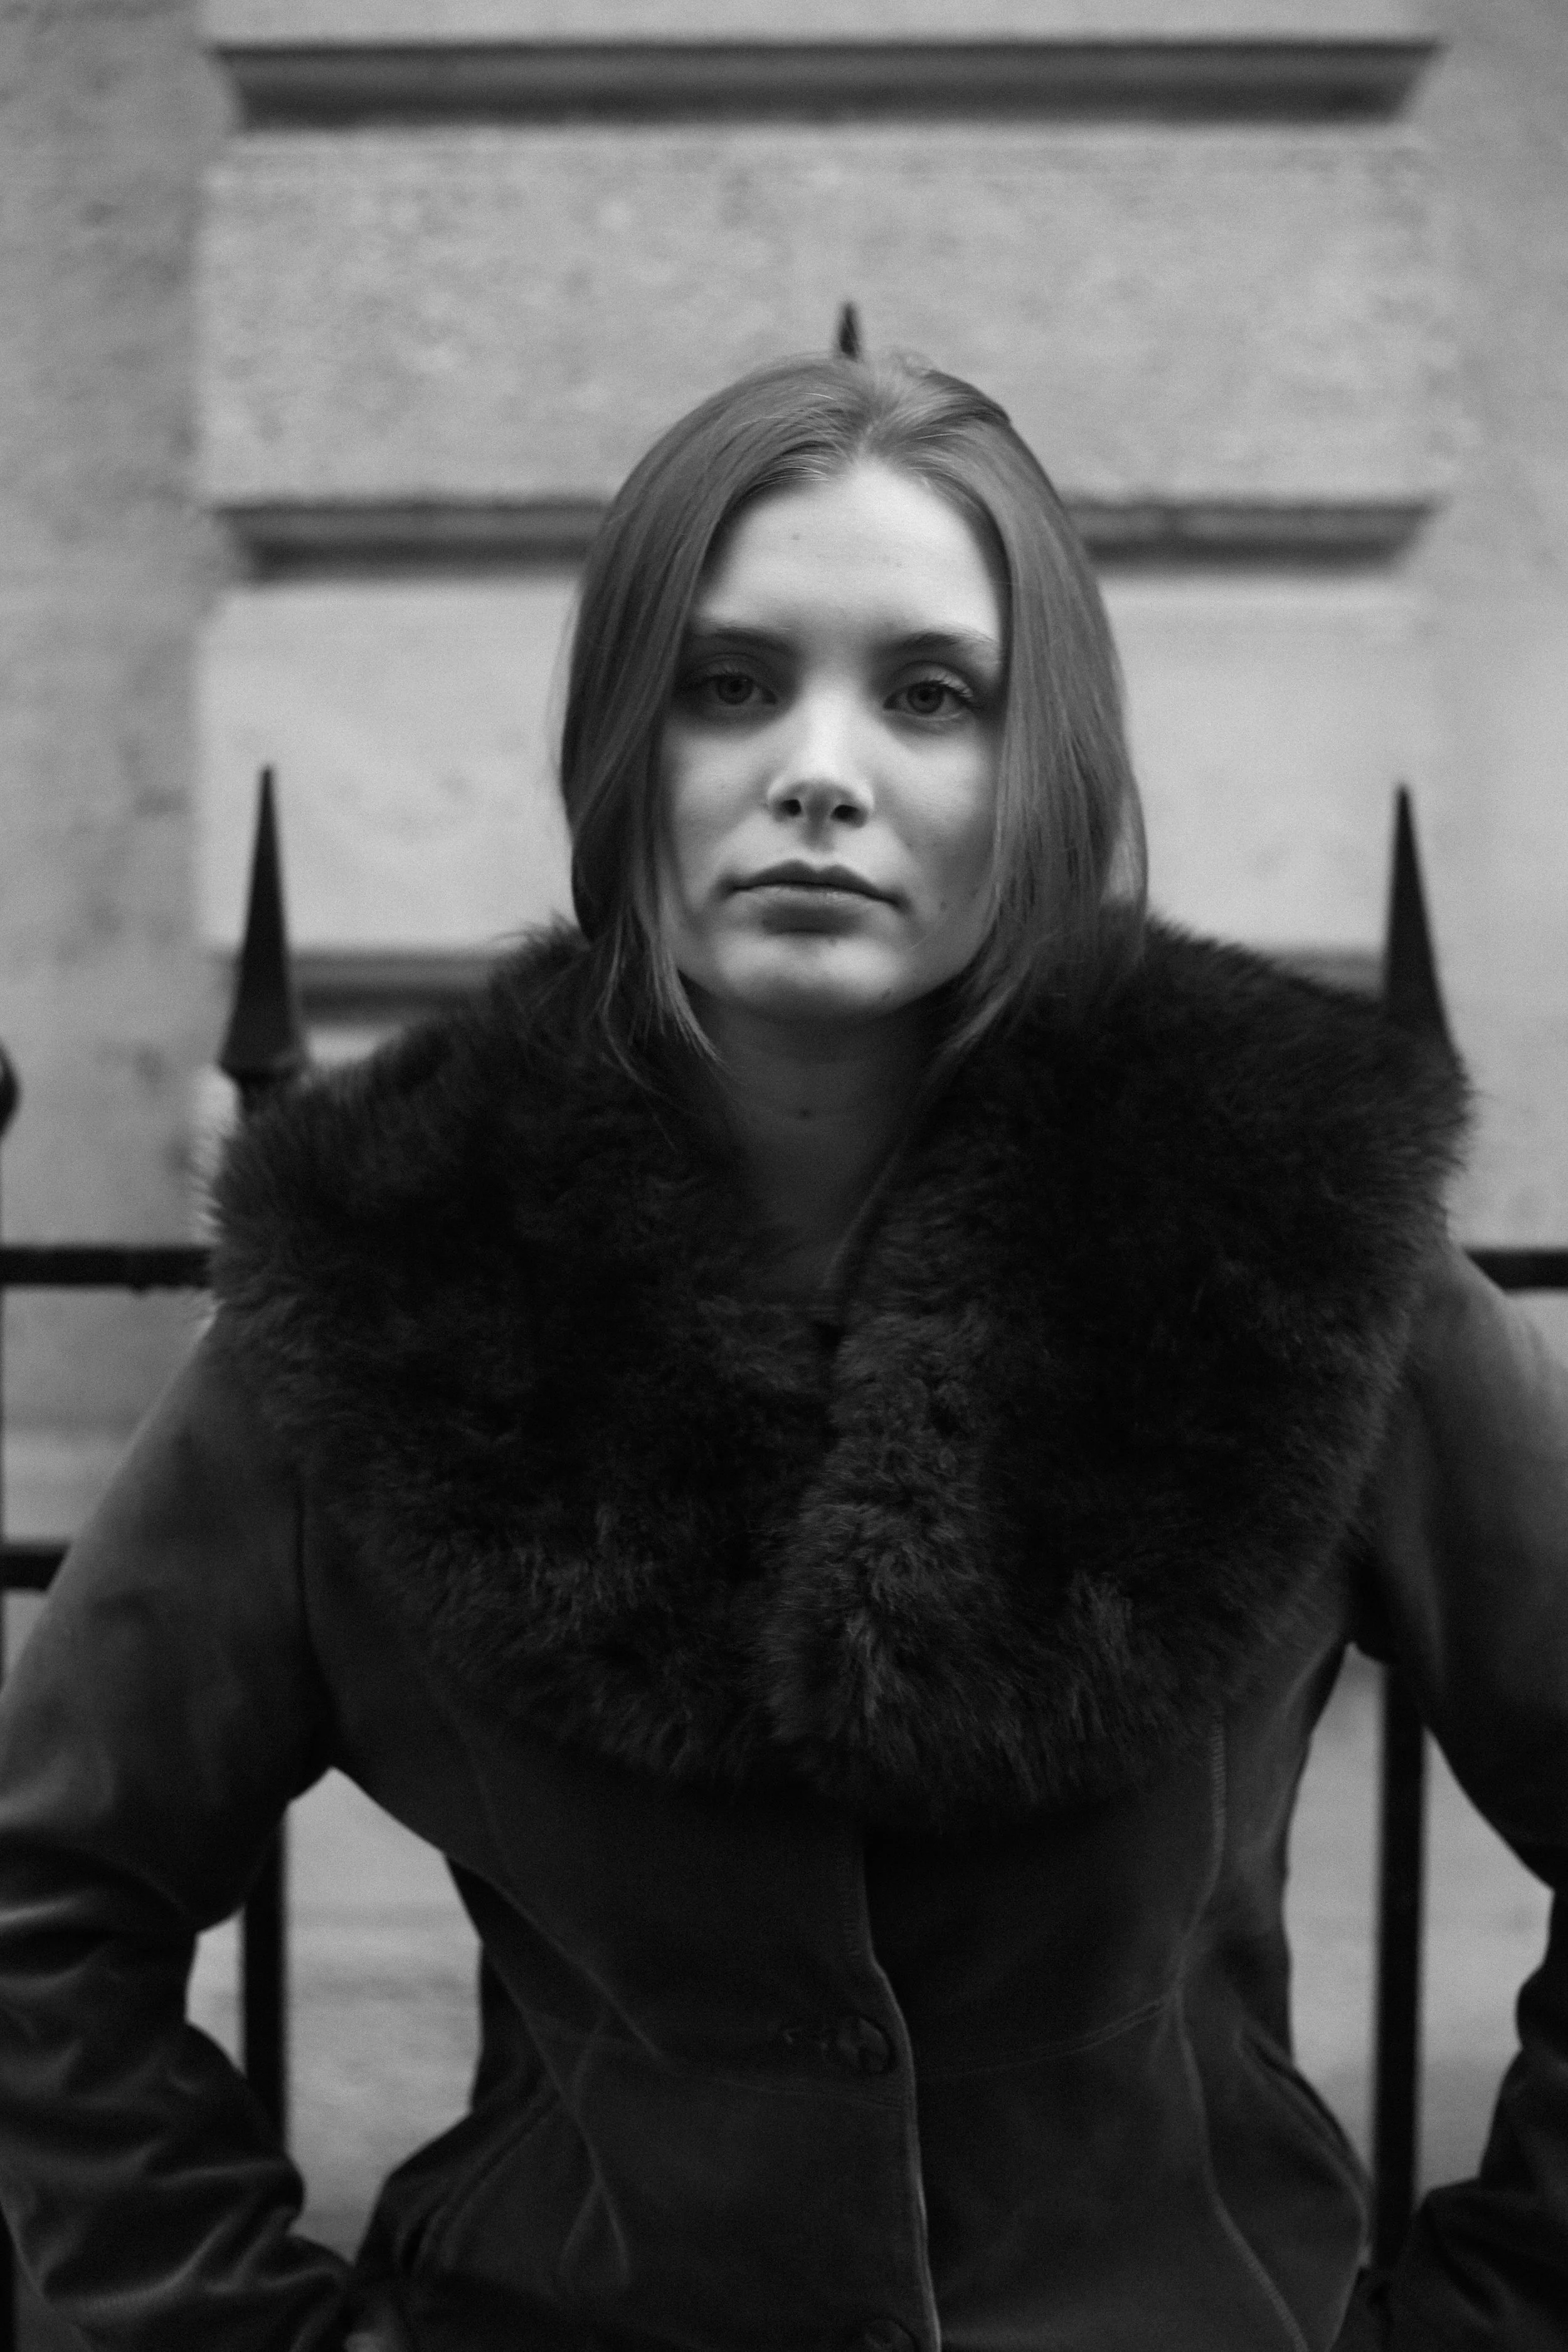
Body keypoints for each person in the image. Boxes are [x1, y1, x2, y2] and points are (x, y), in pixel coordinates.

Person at [0, 347, 1565, 2352]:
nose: (816, 766)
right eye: (729, 684)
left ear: (1041, 765)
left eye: (929, 692)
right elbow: (47, 1907)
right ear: (625, 746)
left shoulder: (1284, 1245)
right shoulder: (394, 1287)